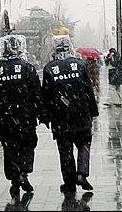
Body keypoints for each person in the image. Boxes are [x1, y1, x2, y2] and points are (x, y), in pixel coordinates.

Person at [41, 34, 99, 193]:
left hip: (60, 117)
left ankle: (69, 183)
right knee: (83, 144)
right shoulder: (79, 65)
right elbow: (89, 91)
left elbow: (45, 96)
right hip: (81, 114)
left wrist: (45, 116)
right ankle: (82, 173)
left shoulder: (49, 68)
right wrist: (93, 111)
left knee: (65, 151)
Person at [0, 35, 44, 198]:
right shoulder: (27, 68)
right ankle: (24, 173)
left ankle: (14, 178)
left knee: (9, 147)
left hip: (5, 119)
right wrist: (42, 114)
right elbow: (36, 94)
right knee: (27, 144)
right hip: (26, 117)